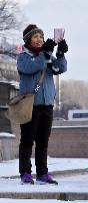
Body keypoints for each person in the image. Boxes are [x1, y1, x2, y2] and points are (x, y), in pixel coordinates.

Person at [16, 24, 68, 185]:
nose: (39, 39)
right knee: (27, 140)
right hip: (29, 105)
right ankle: (25, 172)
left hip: (47, 104)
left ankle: (42, 173)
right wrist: (45, 52)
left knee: (43, 142)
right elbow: (32, 67)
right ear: (28, 40)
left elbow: (60, 68)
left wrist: (60, 53)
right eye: (36, 36)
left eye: (41, 36)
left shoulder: (47, 55)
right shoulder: (23, 56)